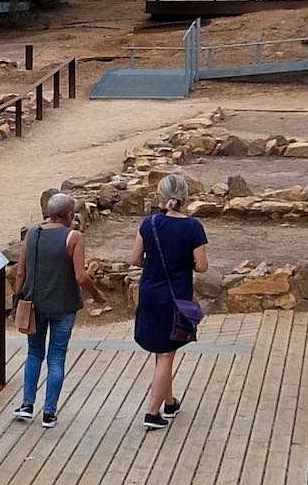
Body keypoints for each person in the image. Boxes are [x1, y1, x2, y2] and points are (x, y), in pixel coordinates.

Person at [13, 192, 105, 428]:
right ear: (69, 214)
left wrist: (17, 298)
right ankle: (49, 413)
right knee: (56, 357)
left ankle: (26, 404)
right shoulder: (74, 237)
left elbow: (21, 271)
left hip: (35, 303)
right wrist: (96, 294)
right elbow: (80, 275)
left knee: (34, 353)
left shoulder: (32, 234)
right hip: (64, 305)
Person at [131, 173, 209, 430]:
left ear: (161, 196)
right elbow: (202, 266)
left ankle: (170, 402)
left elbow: (135, 259)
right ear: (185, 195)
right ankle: (152, 413)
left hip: (150, 293)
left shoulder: (149, 223)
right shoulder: (193, 227)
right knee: (166, 354)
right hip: (176, 296)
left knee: (162, 352)